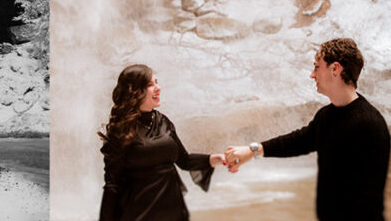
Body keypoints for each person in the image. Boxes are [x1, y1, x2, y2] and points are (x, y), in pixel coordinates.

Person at [224, 38, 390, 220]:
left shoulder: (368, 124)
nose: (312, 75)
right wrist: (251, 151)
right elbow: (299, 141)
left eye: (317, 67)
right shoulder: (327, 116)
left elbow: (367, 202)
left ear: (335, 69)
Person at [98, 64, 226, 221]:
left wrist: (215, 159)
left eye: (157, 82)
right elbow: (112, 185)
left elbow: (185, 161)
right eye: (150, 85)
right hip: (138, 213)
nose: (158, 88)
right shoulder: (121, 130)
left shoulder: (163, 121)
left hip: (173, 210)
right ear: (135, 91)